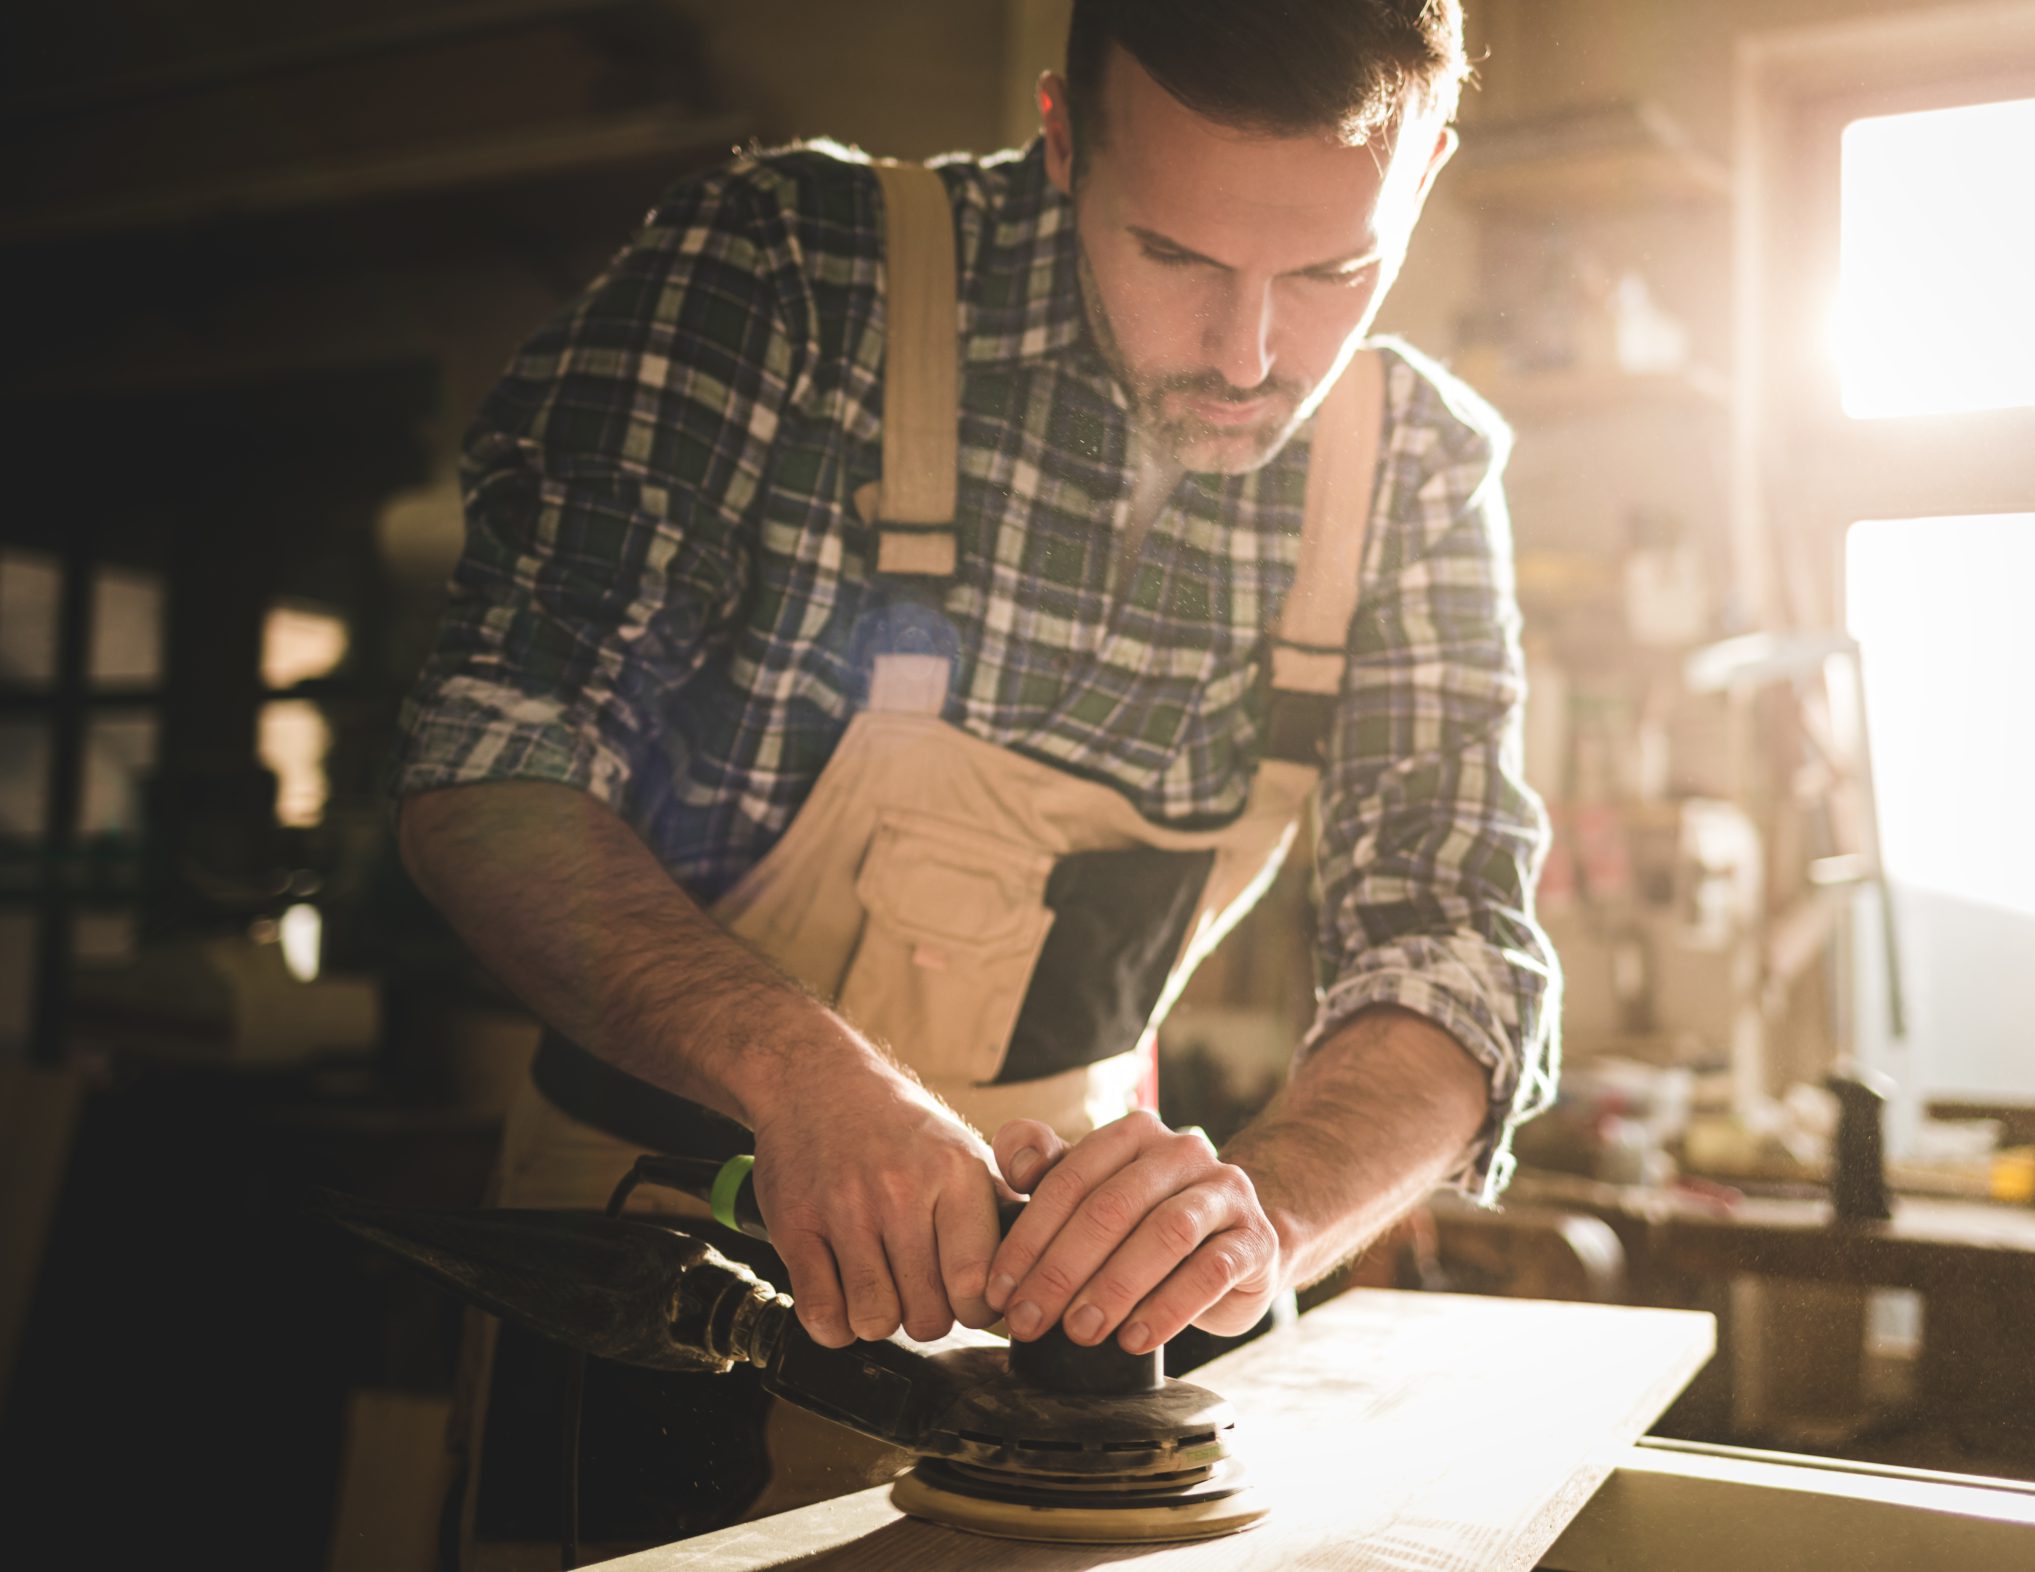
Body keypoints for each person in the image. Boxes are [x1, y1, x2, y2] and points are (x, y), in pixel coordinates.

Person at [393, 0, 1558, 1545]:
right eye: (1178, 257)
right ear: (1063, 136)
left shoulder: (1413, 464)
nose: (1250, 356)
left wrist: (1257, 1219)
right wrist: (801, 1077)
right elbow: (488, 758)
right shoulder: (793, 272)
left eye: (1337, 270)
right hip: (668, 1256)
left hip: (1063, 1334)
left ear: (1425, 178)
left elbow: (1458, 947)